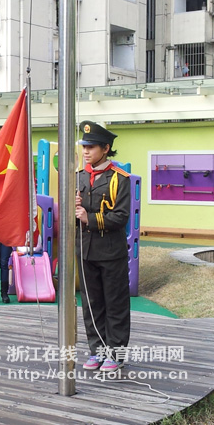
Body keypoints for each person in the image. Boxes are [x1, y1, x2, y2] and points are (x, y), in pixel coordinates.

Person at [75, 120, 131, 373]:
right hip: (85, 250)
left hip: (110, 251)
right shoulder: (79, 177)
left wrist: (90, 218)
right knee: (91, 303)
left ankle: (116, 353)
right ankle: (97, 351)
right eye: (84, 147)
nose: (86, 151)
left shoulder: (120, 179)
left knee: (114, 303)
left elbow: (121, 217)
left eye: (92, 147)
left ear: (106, 148)